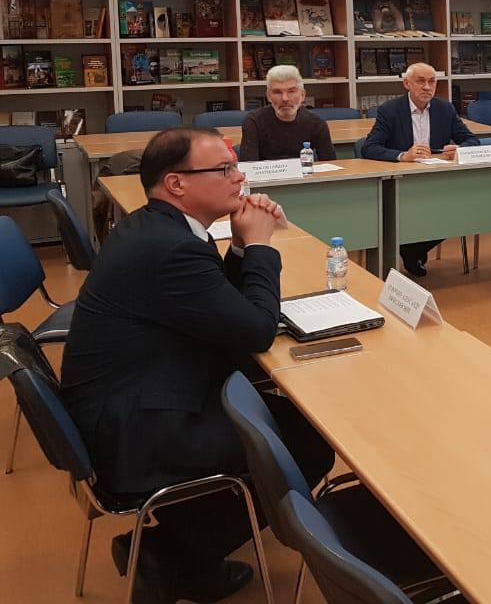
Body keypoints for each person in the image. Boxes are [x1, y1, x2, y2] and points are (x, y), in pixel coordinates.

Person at [60, 128, 335, 604]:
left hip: (134, 394)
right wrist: (262, 245)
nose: (240, 177)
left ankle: (177, 543)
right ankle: (169, 558)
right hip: (133, 427)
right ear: (177, 183)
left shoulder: (160, 227)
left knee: (277, 410)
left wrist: (242, 247)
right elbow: (255, 331)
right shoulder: (171, 247)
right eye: (224, 169)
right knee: (305, 445)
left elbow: (218, 302)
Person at [360, 63, 479, 276]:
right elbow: (369, 147)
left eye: (432, 82)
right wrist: (402, 156)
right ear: (407, 84)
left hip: (438, 180)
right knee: (411, 212)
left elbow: (471, 140)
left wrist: (459, 149)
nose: (427, 87)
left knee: (460, 210)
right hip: (402, 182)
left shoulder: (445, 109)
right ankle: (410, 251)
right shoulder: (390, 110)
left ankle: (411, 250)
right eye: (420, 81)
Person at [237, 64, 336, 162]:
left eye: (291, 91)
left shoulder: (317, 124)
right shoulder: (254, 122)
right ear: (268, 96)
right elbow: (248, 166)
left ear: (302, 95)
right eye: (277, 92)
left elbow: (331, 165)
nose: (285, 98)